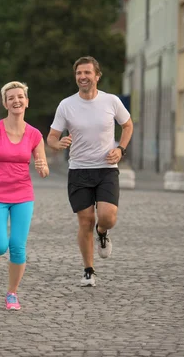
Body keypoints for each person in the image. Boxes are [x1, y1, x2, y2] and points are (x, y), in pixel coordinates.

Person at [47, 56, 133, 287]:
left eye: (87, 73)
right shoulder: (67, 105)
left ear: (97, 76)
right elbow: (52, 137)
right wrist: (58, 143)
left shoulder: (111, 101)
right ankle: (88, 270)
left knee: (107, 217)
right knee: (85, 221)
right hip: (79, 171)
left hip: (106, 169)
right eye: (78, 73)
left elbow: (127, 125)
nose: (82, 77)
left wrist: (121, 149)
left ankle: (102, 232)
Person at [0, 81, 49, 310]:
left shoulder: (34, 135)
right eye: (12, 98)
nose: (17, 101)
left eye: (20, 97)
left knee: (17, 246)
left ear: (26, 101)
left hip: (23, 195)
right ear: (5, 103)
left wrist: (43, 168)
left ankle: (12, 293)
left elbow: (41, 164)